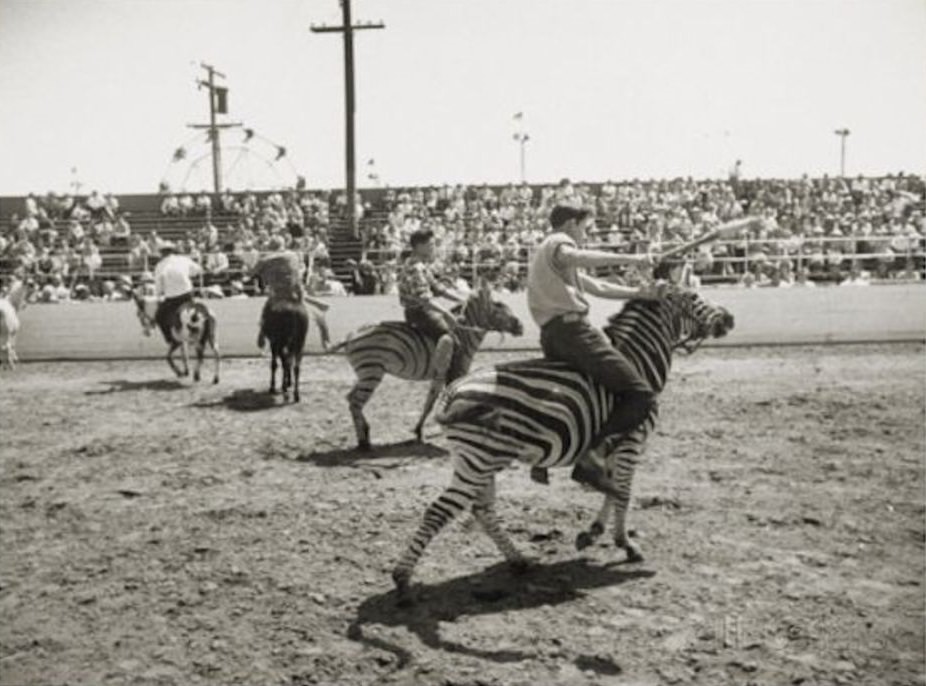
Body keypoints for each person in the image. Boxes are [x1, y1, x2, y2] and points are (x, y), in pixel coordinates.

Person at [526, 205, 665, 496]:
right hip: (574, 333)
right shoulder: (558, 243)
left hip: (553, 335)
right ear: (571, 224)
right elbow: (576, 256)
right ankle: (593, 458)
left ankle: (544, 455)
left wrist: (639, 293)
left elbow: (597, 285)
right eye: (584, 227)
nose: (585, 233)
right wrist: (635, 257)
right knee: (641, 395)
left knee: (581, 394)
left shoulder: (546, 258)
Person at [398, 228, 466, 383]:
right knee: (453, 341)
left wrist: (460, 300)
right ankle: (448, 381)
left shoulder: (419, 264)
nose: (433, 247)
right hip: (420, 313)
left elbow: (437, 288)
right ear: (419, 246)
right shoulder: (415, 268)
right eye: (431, 244)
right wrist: (447, 313)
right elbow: (424, 300)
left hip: (421, 311)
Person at [251, 235, 330, 350]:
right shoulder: (293, 255)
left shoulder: (264, 259)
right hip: (295, 293)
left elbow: (252, 273)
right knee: (320, 317)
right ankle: (326, 342)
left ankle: (262, 336)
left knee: (265, 315)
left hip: (277, 293)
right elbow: (297, 272)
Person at [152, 242, 201, 343]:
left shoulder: (160, 266)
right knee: (193, 312)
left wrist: (158, 295)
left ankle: (170, 340)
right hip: (187, 294)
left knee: (159, 317)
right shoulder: (183, 259)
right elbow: (197, 270)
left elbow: (158, 286)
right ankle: (195, 330)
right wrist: (187, 274)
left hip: (172, 299)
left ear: (161, 253)